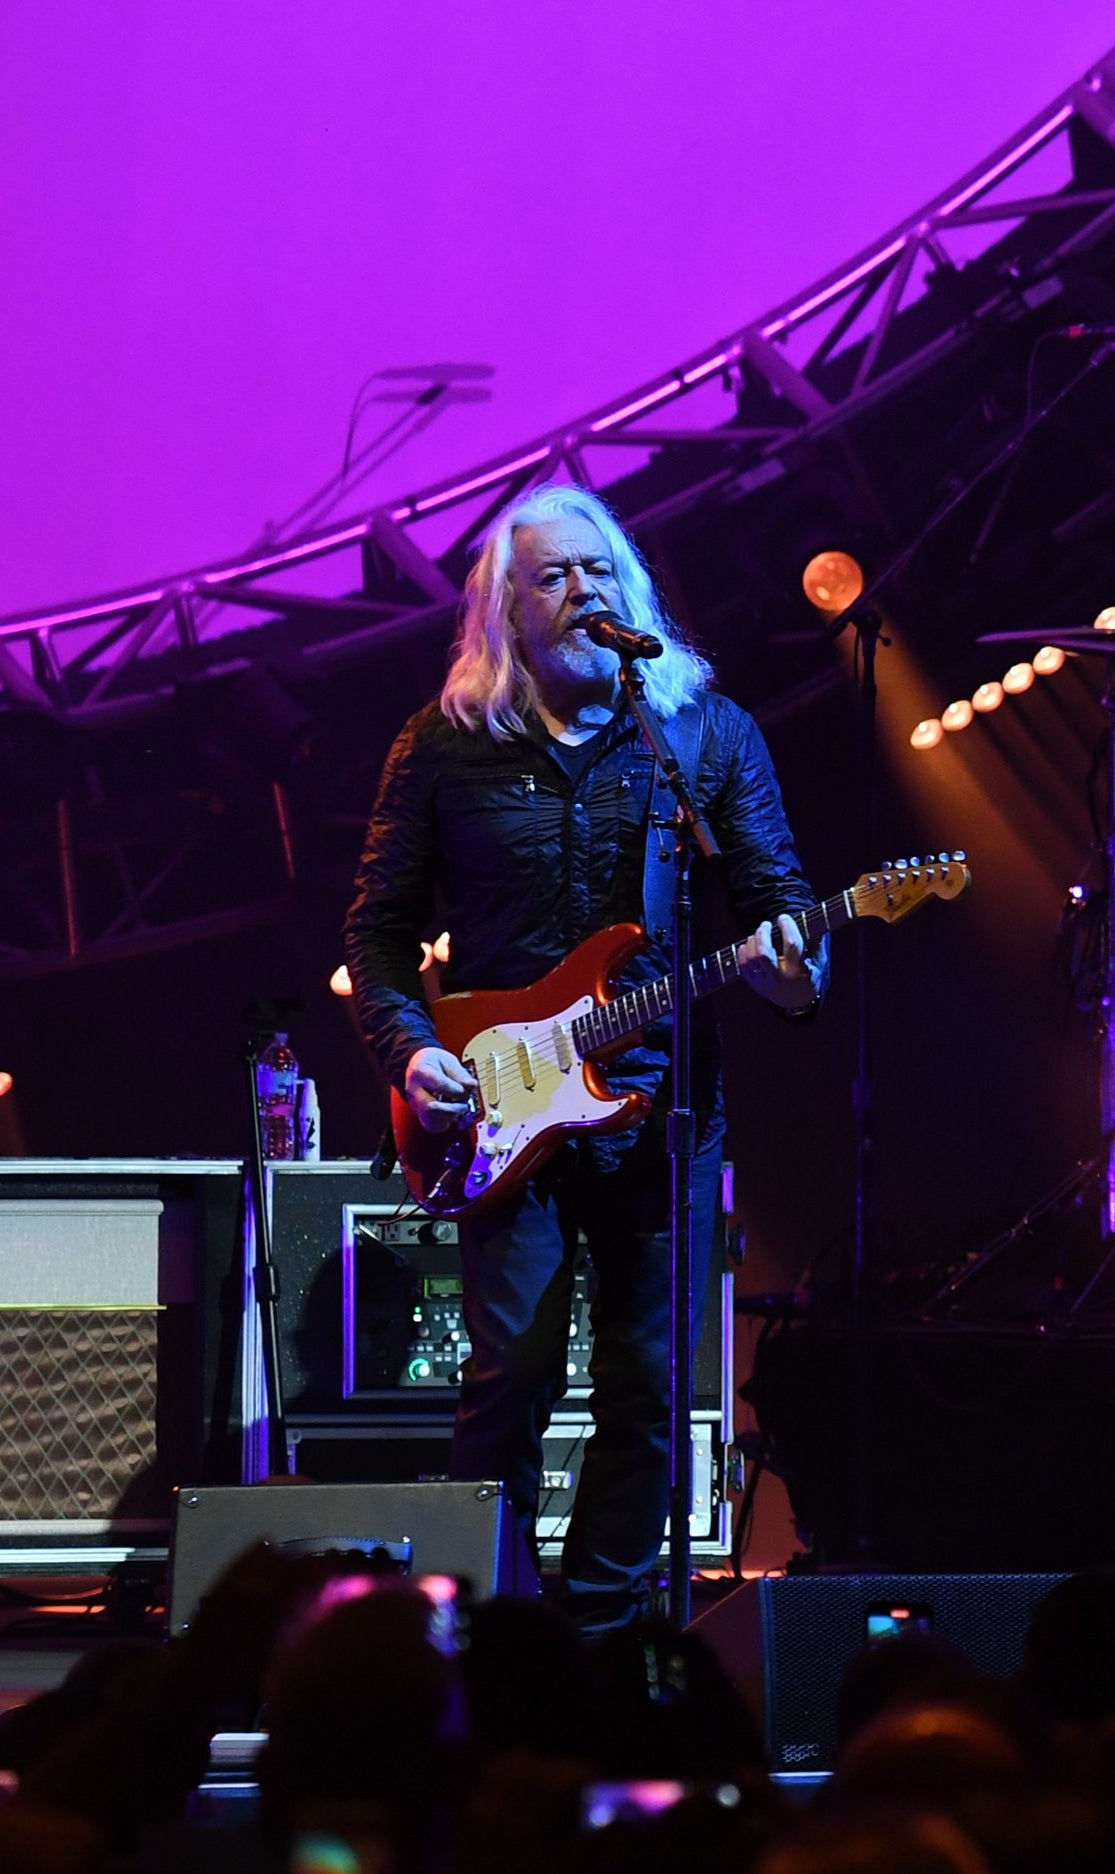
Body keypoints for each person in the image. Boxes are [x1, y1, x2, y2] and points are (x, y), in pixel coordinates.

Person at [343, 483, 827, 1624]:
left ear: (632, 590)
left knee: (650, 1387)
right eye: (552, 577)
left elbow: (779, 906)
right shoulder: (443, 744)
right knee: (506, 1374)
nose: (580, 592)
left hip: (657, 1110)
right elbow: (374, 934)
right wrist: (412, 1054)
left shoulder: (701, 732)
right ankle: (485, 1623)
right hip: (497, 1110)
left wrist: (787, 959)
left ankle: (606, 1633)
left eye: (598, 571)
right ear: (502, 610)